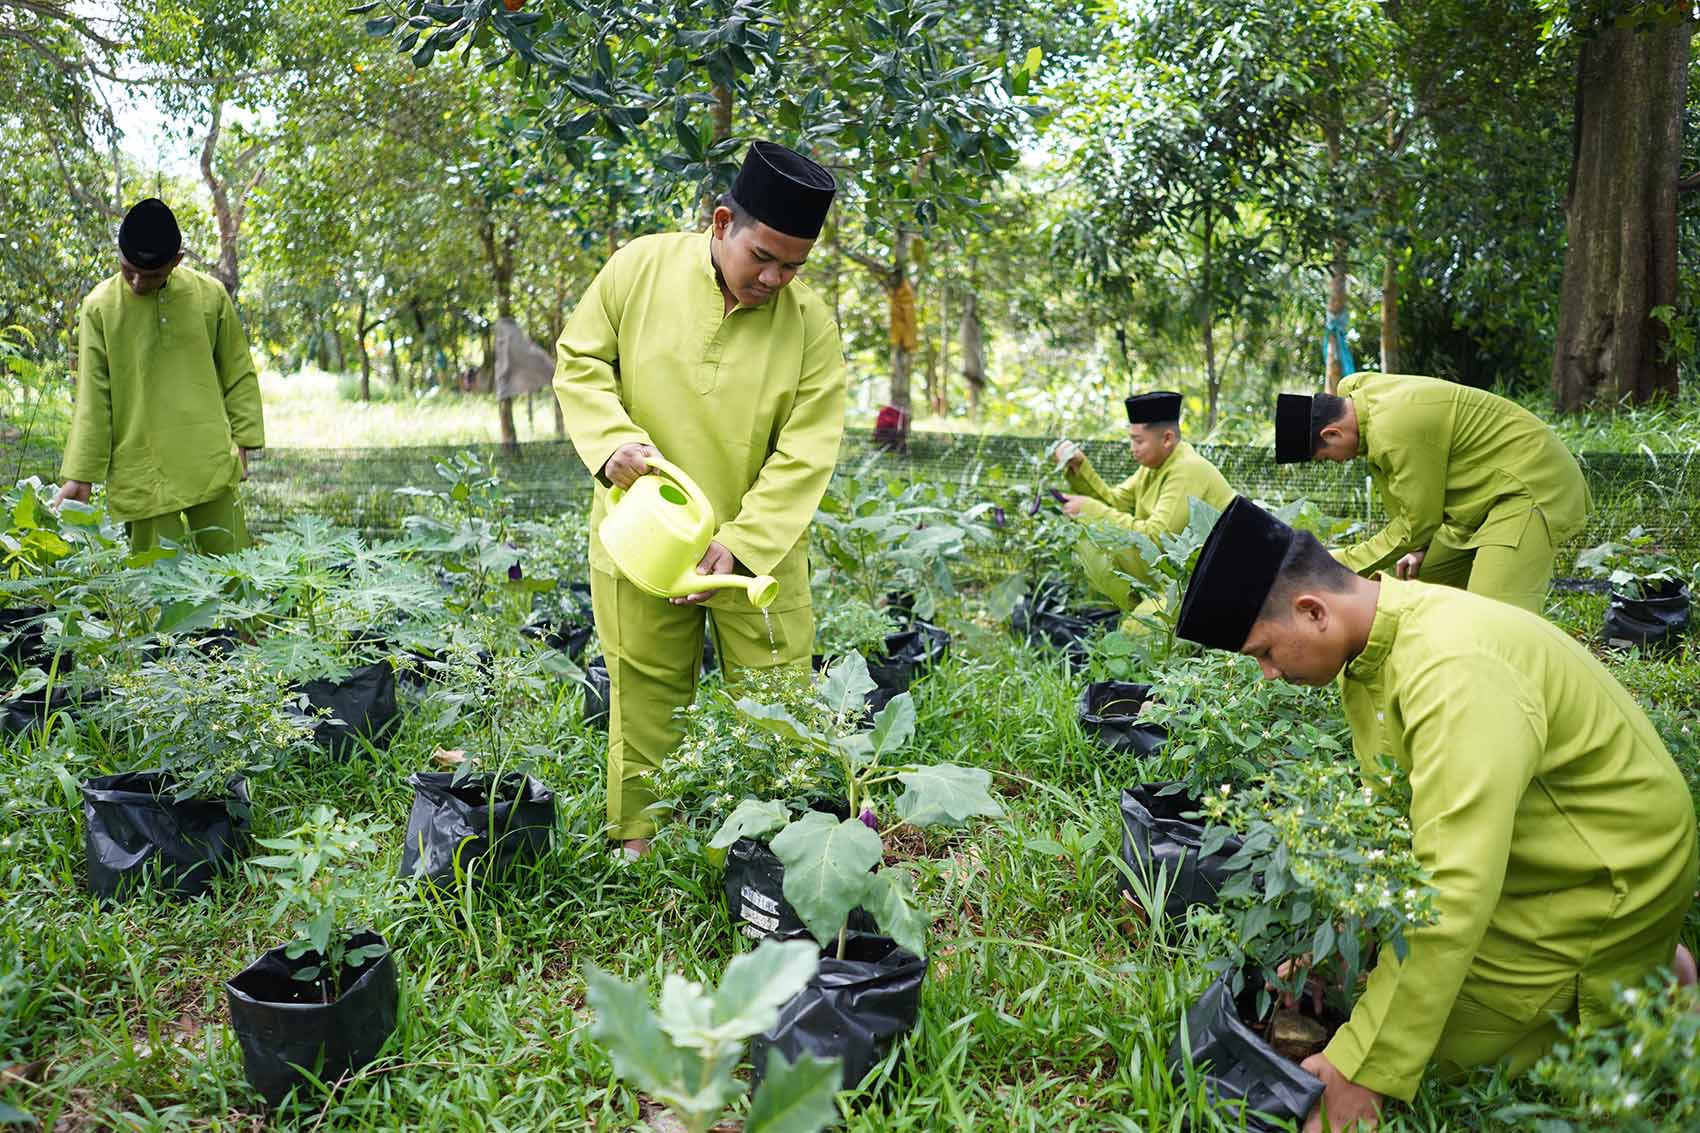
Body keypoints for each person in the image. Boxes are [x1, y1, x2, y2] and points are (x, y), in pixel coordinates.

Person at [1175, 496, 1696, 1132]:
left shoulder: (1452, 670)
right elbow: (1412, 814)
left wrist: (1360, 1071)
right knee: (1373, 989)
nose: (1267, 673)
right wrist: (1347, 940)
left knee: (1452, 1062)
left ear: (1312, 611)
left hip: (1606, 870)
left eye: (1264, 651)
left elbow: (1448, 890)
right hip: (1544, 840)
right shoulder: (1379, 641)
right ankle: (1649, 967)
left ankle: (1635, 971)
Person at [552, 141, 847, 858]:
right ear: (722, 223)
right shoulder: (639, 268)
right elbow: (580, 359)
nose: (776, 278)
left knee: (777, 698)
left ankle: (773, 845)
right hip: (641, 538)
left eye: (794, 266)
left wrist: (741, 542)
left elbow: (807, 449)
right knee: (646, 688)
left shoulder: (811, 326)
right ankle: (640, 839)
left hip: (755, 554)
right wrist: (610, 442)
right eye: (764, 257)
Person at [1272, 373, 1588, 615]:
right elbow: (1415, 518)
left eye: (1328, 456)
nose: (1338, 462)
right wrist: (1418, 545)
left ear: (1332, 432)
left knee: (1494, 618)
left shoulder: (1393, 430)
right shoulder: (1356, 391)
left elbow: (1416, 525)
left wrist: (1333, 564)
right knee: (1412, 587)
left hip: (1530, 484)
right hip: (1476, 502)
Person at [51, 199, 264, 553]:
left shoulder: (209, 296)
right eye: (127, 270)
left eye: (150, 276)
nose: (136, 283)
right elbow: (94, 398)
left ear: (177, 261)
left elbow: (238, 372)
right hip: (142, 468)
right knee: (156, 588)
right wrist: (80, 473)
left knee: (233, 576)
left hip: (209, 460)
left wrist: (244, 442)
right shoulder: (99, 307)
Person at [1056, 390, 1235, 609]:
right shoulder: (1152, 468)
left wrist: (1090, 509)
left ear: (1167, 438)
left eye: (1138, 441)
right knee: (1098, 543)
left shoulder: (1188, 468)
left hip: (1209, 584)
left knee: (1137, 630)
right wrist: (1080, 467)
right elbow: (1114, 502)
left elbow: (1155, 537)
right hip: (1177, 580)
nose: (1132, 449)